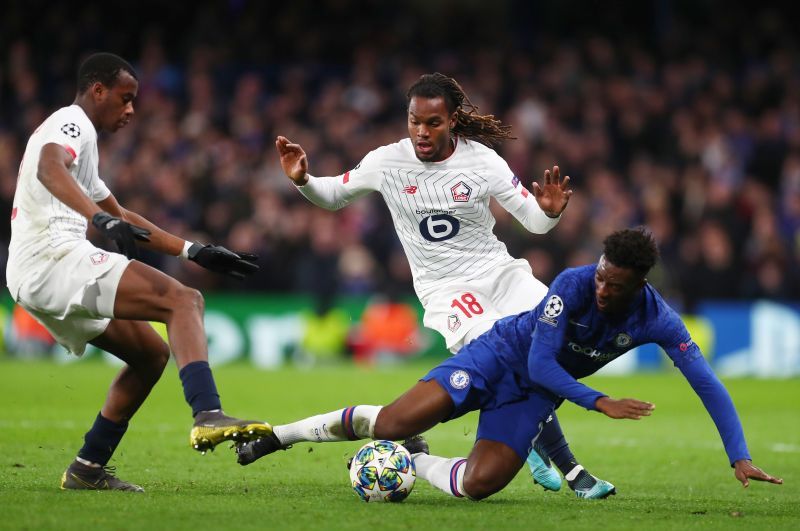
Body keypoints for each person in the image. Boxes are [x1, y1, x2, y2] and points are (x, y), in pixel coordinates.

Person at [234, 228, 782, 500]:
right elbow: (543, 363)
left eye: (613, 285)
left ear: (639, 285)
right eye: (600, 275)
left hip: (531, 397)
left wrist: (739, 454)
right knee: (396, 420)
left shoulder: (658, 320)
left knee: (480, 485)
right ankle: (280, 436)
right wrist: (599, 401)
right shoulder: (570, 285)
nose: (601, 287)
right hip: (499, 357)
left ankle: (413, 462)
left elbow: (706, 382)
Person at [274, 72, 611, 496]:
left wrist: (551, 212)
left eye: (432, 122)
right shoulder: (387, 162)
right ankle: (572, 470)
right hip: (448, 290)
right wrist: (302, 179)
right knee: (508, 357)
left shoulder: (482, 161)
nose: (421, 131)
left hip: (500, 274)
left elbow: (535, 223)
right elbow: (333, 195)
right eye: (415, 121)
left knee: (554, 337)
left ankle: (543, 452)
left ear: (452, 120)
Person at [6, 52, 268, 492]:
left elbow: (122, 215)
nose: (130, 110)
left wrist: (194, 251)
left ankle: (87, 468)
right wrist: (96, 219)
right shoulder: (70, 123)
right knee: (185, 301)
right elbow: (48, 167)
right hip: (52, 256)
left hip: (36, 270)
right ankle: (208, 413)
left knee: (151, 355)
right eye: (125, 99)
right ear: (98, 90)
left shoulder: (84, 143)